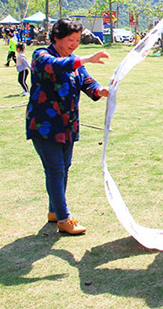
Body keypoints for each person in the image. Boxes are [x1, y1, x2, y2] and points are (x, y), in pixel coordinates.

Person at [26, 18, 109, 235]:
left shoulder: (74, 60)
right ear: (56, 37)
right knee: (55, 170)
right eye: (70, 39)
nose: (74, 44)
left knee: (64, 168)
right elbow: (56, 66)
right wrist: (87, 58)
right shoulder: (41, 55)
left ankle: (54, 211)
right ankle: (64, 219)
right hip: (45, 125)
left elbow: (86, 81)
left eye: (77, 40)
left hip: (68, 125)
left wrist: (101, 91)